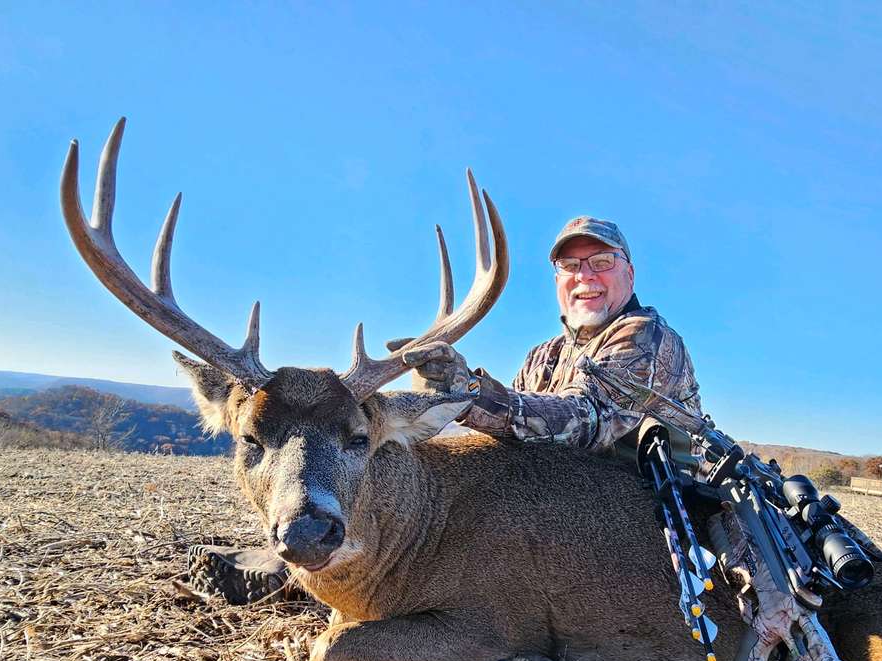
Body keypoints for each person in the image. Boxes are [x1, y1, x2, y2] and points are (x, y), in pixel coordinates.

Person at [188, 216, 703, 604]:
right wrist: (439, 398)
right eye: (571, 266)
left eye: (602, 263)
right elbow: (510, 443)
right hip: (557, 500)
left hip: (637, 512)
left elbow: (587, 423)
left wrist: (467, 391)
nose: (585, 276)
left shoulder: (646, 337)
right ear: (558, 280)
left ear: (629, 273)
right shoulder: (545, 355)